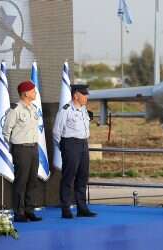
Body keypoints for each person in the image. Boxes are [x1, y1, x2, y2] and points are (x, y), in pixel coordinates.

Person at [53, 84, 96, 219]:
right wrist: (64, 146)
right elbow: (56, 131)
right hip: (70, 143)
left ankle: (82, 208)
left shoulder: (83, 110)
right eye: (84, 94)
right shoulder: (66, 110)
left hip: (83, 144)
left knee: (83, 177)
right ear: (76, 95)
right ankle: (66, 208)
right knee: (69, 177)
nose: (86, 96)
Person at [2, 80, 42, 222]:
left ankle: (29, 210)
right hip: (21, 149)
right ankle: (19, 213)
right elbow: (6, 130)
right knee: (21, 182)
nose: (35, 93)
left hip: (34, 148)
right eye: (33, 91)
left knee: (32, 181)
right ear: (25, 93)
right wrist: (13, 147)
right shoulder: (15, 109)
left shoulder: (33, 108)